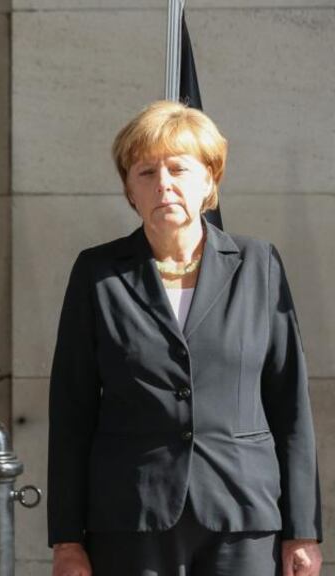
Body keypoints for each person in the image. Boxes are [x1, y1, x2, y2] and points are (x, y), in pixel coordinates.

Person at [47, 100, 323, 576]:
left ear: (210, 180)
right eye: (146, 172)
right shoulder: (97, 274)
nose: (163, 184)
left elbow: (290, 405)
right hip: (132, 518)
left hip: (241, 516)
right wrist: (67, 539)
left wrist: (303, 530)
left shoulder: (259, 265)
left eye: (178, 168)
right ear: (130, 191)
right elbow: (71, 412)